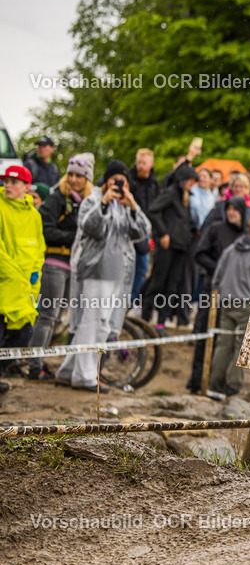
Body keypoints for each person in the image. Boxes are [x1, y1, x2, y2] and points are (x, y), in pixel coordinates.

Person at [55, 160, 151, 392]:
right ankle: (86, 375)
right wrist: (105, 202)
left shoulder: (125, 205)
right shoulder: (94, 199)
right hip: (96, 271)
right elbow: (89, 227)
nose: (118, 185)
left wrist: (133, 206)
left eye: (123, 181)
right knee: (93, 322)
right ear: (106, 180)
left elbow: (143, 232)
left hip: (119, 275)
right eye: (114, 180)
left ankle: (69, 370)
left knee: (102, 323)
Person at [27, 154, 95, 380]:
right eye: (71, 175)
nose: (74, 179)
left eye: (79, 176)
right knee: (47, 315)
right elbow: (45, 230)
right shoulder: (57, 199)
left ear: (87, 179)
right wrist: (74, 237)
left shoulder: (86, 202)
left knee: (56, 318)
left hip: (73, 267)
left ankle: (38, 360)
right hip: (53, 263)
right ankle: (34, 366)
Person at [209, 214, 250, 396]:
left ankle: (214, 386)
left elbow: (216, 279)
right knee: (242, 348)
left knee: (223, 344)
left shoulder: (230, 250)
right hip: (248, 306)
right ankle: (233, 387)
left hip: (226, 302)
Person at [186, 196, 248, 394]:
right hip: (210, 289)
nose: (231, 212)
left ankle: (216, 382)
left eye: (234, 209)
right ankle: (197, 381)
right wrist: (221, 270)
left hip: (233, 294)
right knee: (205, 333)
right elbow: (200, 254)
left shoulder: (245, 235)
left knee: (226, 339)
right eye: (228, 208)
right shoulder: (215, 228)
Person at [0, 165, 45, 400]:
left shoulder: (34, 214)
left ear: (27, 187)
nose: (8, 185)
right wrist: (14, 274)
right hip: (4, 285)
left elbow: (39, 249)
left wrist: (35, 273)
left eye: (14, 182)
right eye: (5, 181)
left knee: (23, 336)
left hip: (26, 289)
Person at [141, 164, 198, 334]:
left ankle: (161, 323)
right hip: (167, 246)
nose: (192, 183)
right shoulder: (171, 193)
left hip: (181, 247)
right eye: (190, 180)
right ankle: (144, 321)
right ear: (182, 180)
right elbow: (152, 211)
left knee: (172, 286)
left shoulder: (186, 196)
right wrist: (163, 233)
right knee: (157, 282)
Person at [128, 148, 161, 302]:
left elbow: (155, 209)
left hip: (146, 231)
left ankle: (134, 301)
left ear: (151, 164)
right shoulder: (129, 180)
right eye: (139, 162)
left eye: (144, 163)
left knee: (142, 268)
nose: (140, 166)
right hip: (128, 229)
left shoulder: (154, 184)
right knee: (127, 267)